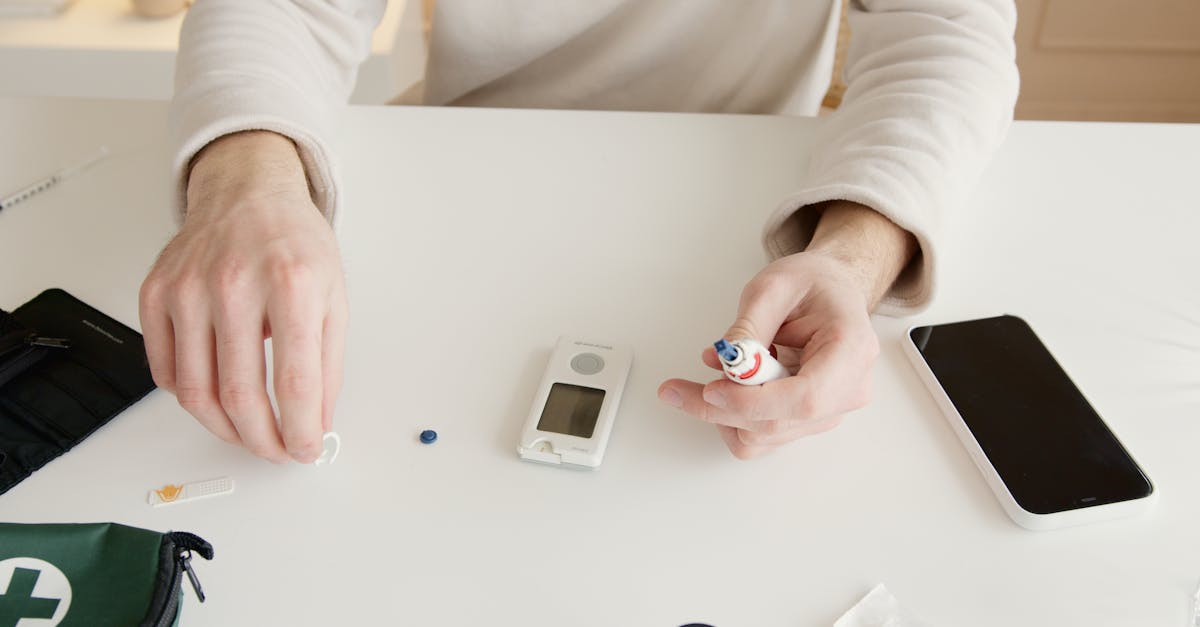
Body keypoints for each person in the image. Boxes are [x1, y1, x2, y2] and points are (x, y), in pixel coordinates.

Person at [140, 0, 1019, 464]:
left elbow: (944, 31)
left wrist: (851, 252)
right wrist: (245, 181)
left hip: (751, 200)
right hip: (462, 182)